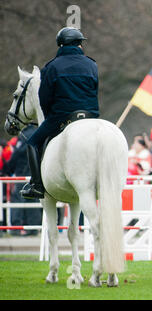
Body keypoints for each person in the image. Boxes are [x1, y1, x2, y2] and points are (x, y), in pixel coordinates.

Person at [20, 27, 99, 199]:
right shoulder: (92, 65)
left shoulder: (51, 67)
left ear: (60, 44)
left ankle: (37, 185)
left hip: (62, 116)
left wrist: (50, 116)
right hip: (91, 116)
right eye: (80, 43)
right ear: (77, 45)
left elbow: (44, 98)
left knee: (32, 143)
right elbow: (94, 90)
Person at [4, 126, 42, 235]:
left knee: (18, 199)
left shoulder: (24, 135)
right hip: (36, 174)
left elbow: (17, 153)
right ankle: (33, 228)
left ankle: (16, 228)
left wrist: (9, 169)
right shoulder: (39, 131)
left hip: (23, 172)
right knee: (33, 200)